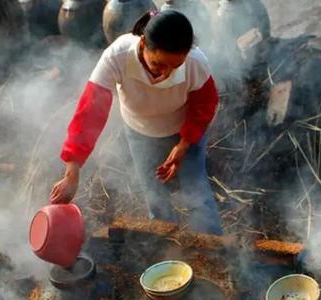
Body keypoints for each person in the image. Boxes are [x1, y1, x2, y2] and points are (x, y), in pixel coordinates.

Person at [49, 10, 223, 235]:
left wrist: (184, 144)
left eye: (175, 66)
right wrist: (72, 172)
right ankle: (167, 249)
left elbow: (205, 105)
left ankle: (213, 251)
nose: (165, 73)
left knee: (197, 194)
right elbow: (90, 112)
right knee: (155, 195)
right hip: (141, 134)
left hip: (184, 132)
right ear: (143, 44)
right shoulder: (117, 56)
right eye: (159, 63)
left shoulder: (195, 62)